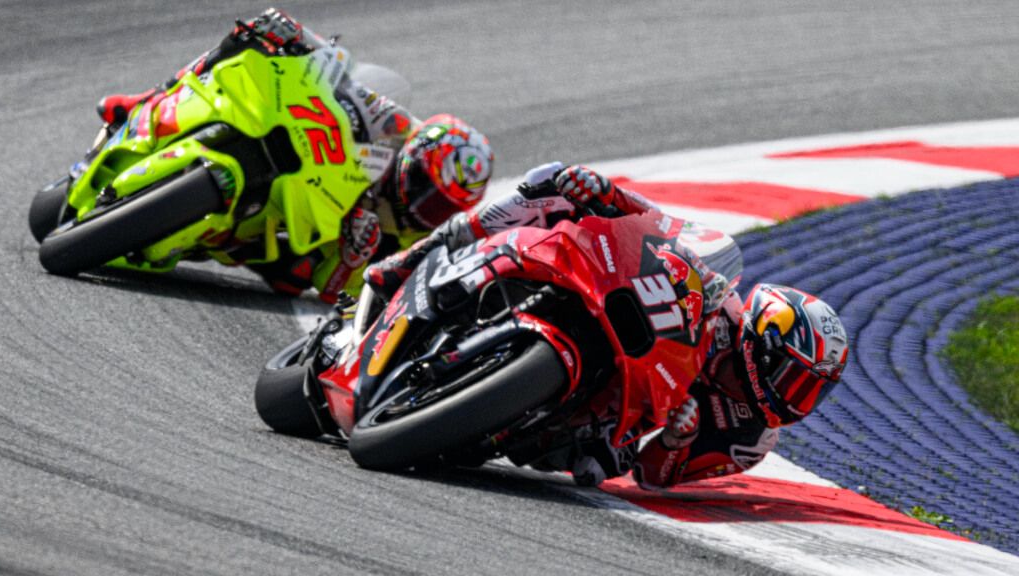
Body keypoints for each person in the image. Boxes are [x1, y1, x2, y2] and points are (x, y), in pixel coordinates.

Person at [364, 162, 850, 489]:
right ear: (763, 342)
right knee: (547, 185)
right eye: (794, 379)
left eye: (810, 391)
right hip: (623, 325)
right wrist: (606, 193)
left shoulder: (751, 439)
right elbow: (663, 226)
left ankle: (492, 418)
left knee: (590, 467)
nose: (795, 399)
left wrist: (674, 441)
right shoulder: (723, 300)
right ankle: (414, 259)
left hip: (619, 420)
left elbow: (655, 477)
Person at [96, 8, 494, 302]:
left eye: (441, 206)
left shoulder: (415, 240)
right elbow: (344, 80)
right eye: (426, 186)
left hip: (300, 233)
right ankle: (147, 100)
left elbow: (344, 294)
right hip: (310, 164)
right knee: (241, 44)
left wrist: (353, 259)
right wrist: (298, 37)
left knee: (293, 278)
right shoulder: (395, 127)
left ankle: (209, 230)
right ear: (414, 156)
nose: (425, 206)